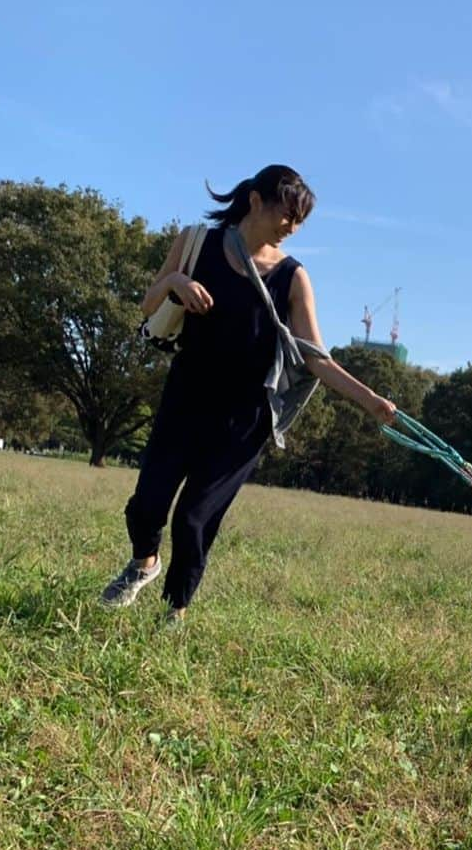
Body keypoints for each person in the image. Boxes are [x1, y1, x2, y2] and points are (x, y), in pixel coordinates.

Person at [100, 164, 396, 625]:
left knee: (194, 518)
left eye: (300, 221)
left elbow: (316, 357)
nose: (292, 227)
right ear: (256, 200)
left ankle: (173, 612)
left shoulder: (294, 278)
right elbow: (148, 303)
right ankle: (144, 564)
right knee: (147, 503)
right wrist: (176, 283)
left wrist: (370, 400)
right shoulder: (196, 242)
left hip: (245, 418)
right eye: (287, 214)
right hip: (186, 395)